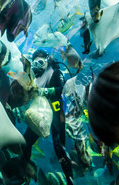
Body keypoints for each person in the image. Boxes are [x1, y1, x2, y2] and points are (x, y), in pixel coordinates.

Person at [21, 49, 74, 185]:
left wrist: (46, 90)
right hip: (41, 114)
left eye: (40, 62)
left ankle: (69, 180)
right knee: (25, 143)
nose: (38, 66)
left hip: (56, 113)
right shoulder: (37, 78)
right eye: (35, 63)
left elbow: (63, 89)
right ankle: (25, 174)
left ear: (47, 60)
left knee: (59, 148)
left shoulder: (56, 73)